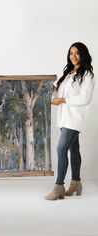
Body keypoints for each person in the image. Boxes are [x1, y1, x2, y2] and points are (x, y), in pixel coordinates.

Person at [45, 42, 95, 200]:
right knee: (73, 149)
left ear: (83, 55)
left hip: (75, 119)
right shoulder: (67, 73)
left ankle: (59, 186)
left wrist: (63, 100)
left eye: (77, 53)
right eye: (71, 53)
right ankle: (76, 183)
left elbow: (84, 98)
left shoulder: (87, 74)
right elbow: (57, 91)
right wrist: (51, 89)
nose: (73, 56)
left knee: (61, 149)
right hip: (64, 118)